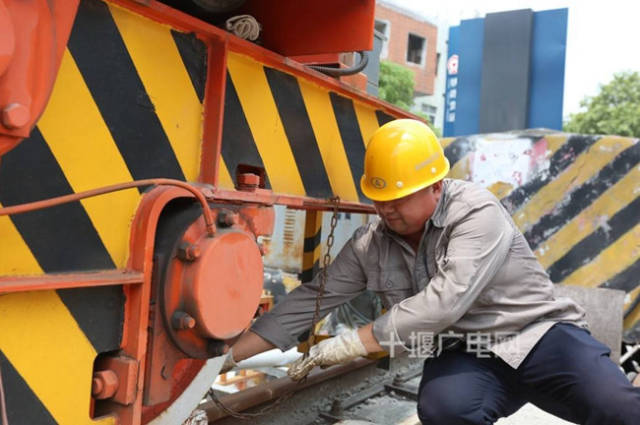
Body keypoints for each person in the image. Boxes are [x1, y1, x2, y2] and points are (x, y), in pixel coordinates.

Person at [226, 119, 640, 424]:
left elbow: (444, 302)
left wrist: (350, 343)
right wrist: (225, 359)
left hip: (537, 335)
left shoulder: (476, 213)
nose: (387, 208)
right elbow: (313, 300)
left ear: (436, 187)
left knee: (616, 406)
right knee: (444, 410)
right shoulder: (372, 244)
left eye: (400, 198)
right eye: (379, 198)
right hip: (466, 350)